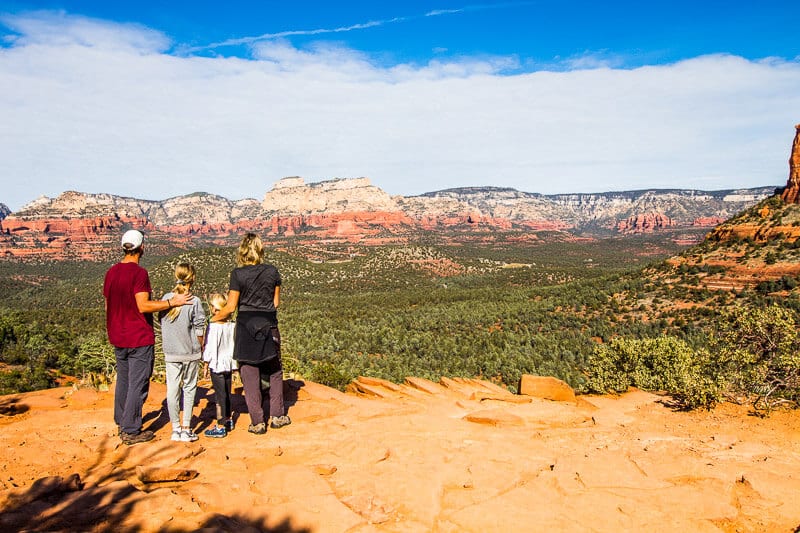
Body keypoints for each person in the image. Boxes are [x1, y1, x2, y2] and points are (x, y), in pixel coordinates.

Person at [104, 229, 193, 445]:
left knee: (124, 380)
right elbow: (143, 305)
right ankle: (131, 430)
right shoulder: (139, 274)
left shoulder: (111, 272)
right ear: (141, 247)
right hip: (138, 336)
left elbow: (108, 304)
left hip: (118, 335)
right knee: (138, 383)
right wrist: (174, 302)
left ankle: (121, 420)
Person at [212, 232, 290, 435]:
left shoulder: (237, 274)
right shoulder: (272, 271)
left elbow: (230, 307)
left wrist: (211, 320)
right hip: (269, 325)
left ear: (243, 250)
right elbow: (275, 303)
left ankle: (257, 422)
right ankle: (277, 415)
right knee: (274, 370)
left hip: (246, 327)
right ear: (260, 249)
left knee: (249, 373)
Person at [159, 263, 206, 443]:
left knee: (172, 390)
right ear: (192, 279)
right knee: (189, 389)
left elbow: (162, 319)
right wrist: (201, 347)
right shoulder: (194, 301)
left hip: (171, 352)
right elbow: (199, 329)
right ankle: (186, 428)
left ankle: (175, 429)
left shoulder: (166, 298)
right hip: (190, 352)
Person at [202, 292, 237, 438]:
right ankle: (228, 419)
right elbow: (234, 345)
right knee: (227, 392)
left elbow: (209, 347)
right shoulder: (232, 326)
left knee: (219, 395)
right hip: (228, 363)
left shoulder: (213, 326)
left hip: (216, 364)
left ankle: (220, 425)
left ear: (215, 309)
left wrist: (205, 364)